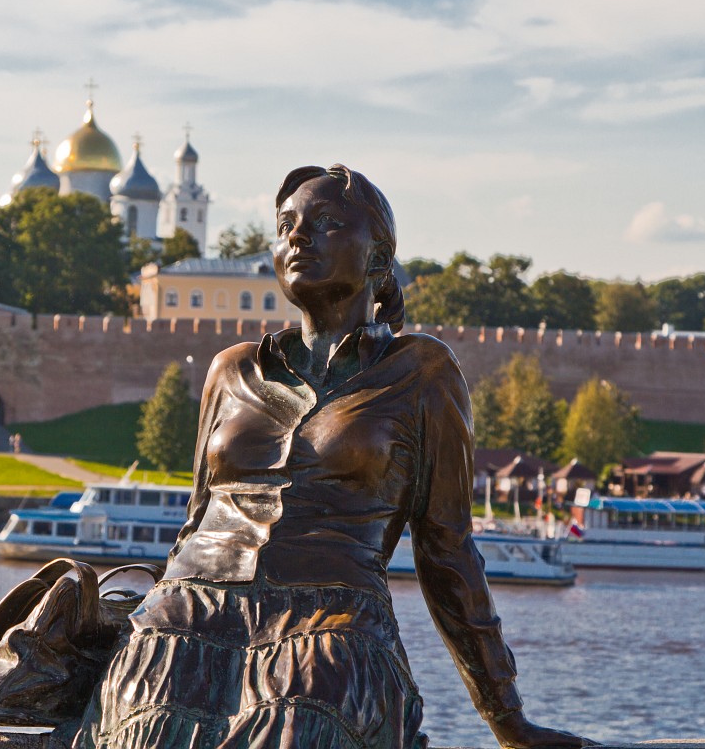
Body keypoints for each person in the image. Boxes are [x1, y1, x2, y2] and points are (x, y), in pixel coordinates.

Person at [68, 165, 590, 749]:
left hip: (330, 616)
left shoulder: (420, 373)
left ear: (378, 259)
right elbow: (195, 520)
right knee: (146, 719)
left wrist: (507, 718)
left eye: (326, 224)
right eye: (287, 225)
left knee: (305, 713)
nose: (297, 236)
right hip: (190, 610)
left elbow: (447, 549)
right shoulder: (232, 370)